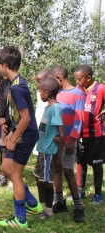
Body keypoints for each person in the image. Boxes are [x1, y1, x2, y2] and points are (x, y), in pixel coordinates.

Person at [0, 46, 42, 228]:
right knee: (6, 168)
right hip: (20, 133)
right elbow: (20, 115)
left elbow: (26, 117)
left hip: (26, 136)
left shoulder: (16, 88)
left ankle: (21, 220)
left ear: (5, 65)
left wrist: (14, 139)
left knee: (15, 174)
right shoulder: (16, 83)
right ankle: (32, 204)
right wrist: (12, 133)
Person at [47, 65, 85, 222]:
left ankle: (78, 206)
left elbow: (79, 118)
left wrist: (73, 140)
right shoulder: (58, 94)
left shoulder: (78, 94)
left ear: (59, 79)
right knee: (57, 169)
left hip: (69, 141)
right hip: (56, 140)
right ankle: (60, 200)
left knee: (68, 171)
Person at [34, 77, 64, 219]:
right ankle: (42, 204)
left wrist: (58, 157)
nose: (40, 95)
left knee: (47, 181)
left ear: (47, 92)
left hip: (49, 151)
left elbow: (62, 133)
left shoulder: (55, 109)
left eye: (40, 92)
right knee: (37, 176)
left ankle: (48, 210)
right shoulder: (49, 107)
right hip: (42, 149)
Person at [74, 64, 105, 205]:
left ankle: (98, 193)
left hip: (96, 133)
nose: (77, 82)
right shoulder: (78, 90)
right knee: (81, 162)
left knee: (97, 163)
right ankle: (80, 191)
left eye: (79, 79)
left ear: (89, 78)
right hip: (80, 133)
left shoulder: (101, 88)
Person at [0, 76, 11, 187]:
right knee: (4, 149)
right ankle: (3, 176)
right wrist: (1, 122)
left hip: (14, 124)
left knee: (13, 149)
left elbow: (17, 111)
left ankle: (13, 177)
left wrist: (6, 120)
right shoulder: (3, 86)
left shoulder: (16, 87)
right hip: (4, 124)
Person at [32, 68, 49, 155]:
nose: (38, 84)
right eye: (37, 82)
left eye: (40, 82)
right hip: (38, 128)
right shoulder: (38, 94)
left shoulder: (52, 95)